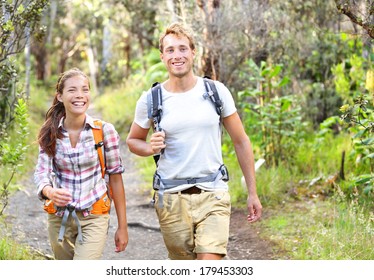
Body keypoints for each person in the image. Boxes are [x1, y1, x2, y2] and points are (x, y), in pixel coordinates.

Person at [126, 22, 262, 260]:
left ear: (193, 52)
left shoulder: (215, 91)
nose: (177, 55)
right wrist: (150, 147)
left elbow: (241, 141)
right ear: (162, 56)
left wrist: (253, 192)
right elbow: (133, 141)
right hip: (170, 198)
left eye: (182, 48)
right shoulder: (151, 99)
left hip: (213, 192)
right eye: (170, 50)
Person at [34, 68, 128, 260]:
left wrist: (123, 227)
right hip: (59, 218)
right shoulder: (50, 132)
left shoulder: (104, 131)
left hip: (94, 214)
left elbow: (116, 180)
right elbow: (42, 172)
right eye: (72, 90)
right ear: (60, 96)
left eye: (85, 90)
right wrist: (50, 192)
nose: (80, 95)